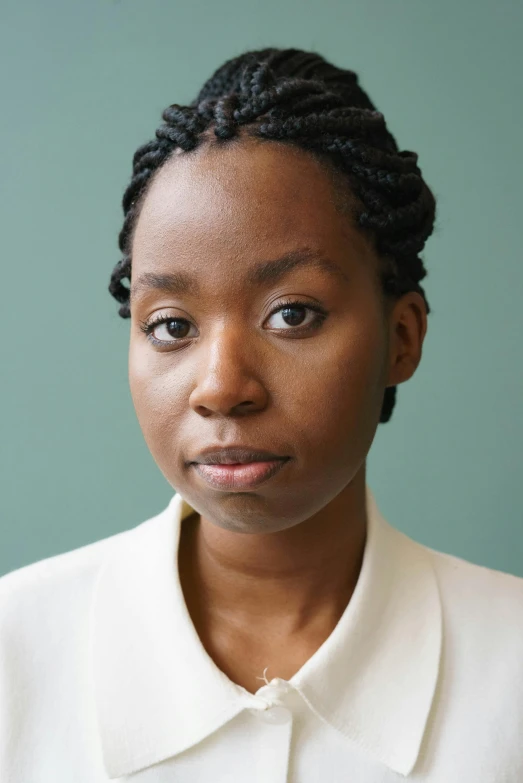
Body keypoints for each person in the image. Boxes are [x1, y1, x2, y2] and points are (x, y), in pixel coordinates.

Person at [1, 47, 522, 782]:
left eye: (291, 313)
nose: (221, 386)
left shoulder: (510, 670)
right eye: (172, 325)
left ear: (400, 339)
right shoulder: (13, 654)